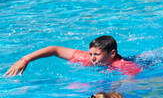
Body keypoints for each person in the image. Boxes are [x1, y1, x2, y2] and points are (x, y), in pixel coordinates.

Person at [6, 35, 143, 77]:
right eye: (90, 54)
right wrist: (25, 59)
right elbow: (54, 49)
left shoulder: (124, 66)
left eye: (97, 54)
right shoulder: (89, 59)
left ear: (112, 53)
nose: (92, 58)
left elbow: (130, 82)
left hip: (143, 63)